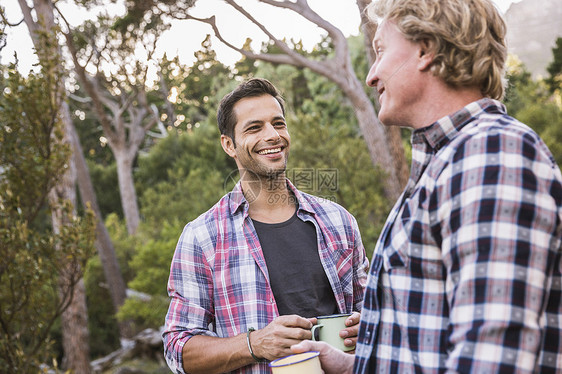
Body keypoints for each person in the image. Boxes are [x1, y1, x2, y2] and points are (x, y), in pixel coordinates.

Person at [292, 0, 562, 373]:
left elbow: (493, 358)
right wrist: (346, 365)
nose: (372, 75)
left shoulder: (490, 153)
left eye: (381, 51)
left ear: (425, 49)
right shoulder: (451, 163)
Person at [162, 78, 369, 374]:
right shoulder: (202, 238)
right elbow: (177, 349)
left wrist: (370, 329)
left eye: (278, 124)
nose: (272, 135)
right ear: (229, 145)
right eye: (254, 127)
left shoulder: (339, 221)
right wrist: (254, 344)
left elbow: (378, 314)